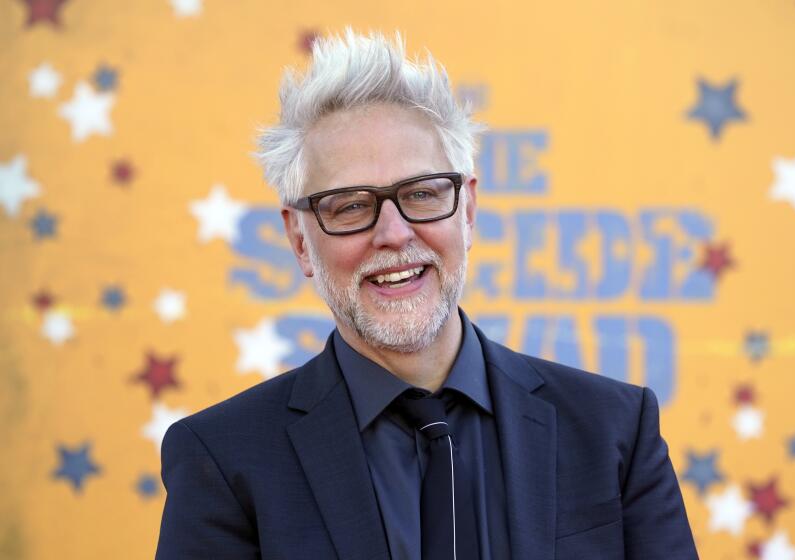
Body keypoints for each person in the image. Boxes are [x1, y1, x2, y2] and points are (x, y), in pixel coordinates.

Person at [155, 29, 698, 560]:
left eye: (421, 193)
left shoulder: (615, 430)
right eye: (349, 206)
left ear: (468, 211)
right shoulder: (222, 459)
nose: (393, 233)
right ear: (300, 239)